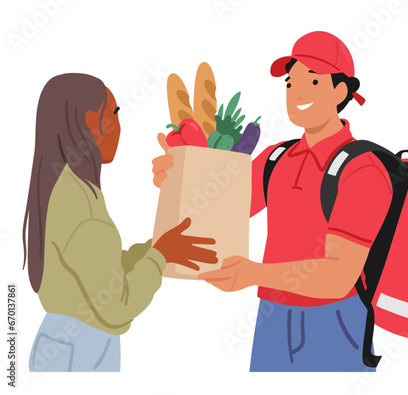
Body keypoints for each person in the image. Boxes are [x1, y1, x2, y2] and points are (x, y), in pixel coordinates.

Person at [153, 31, 393, 372]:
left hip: (334, 320)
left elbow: (339, 275)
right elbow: (215, 210)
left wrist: (254, 274)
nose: (298, 94)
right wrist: (178, 176)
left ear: (341, 91)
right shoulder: (275, 158)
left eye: (312, 81)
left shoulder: (362, 170)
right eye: (291, 83)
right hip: (272, 316)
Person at [24, 73, 218, 372]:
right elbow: (117, 303)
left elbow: (103, 271)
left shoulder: (65, 187)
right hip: (80, 348)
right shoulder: (77, 201)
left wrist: (157, 249)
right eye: (114, 114)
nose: (119, 126)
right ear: (91, 122)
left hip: (68, 342)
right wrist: (160, 256)